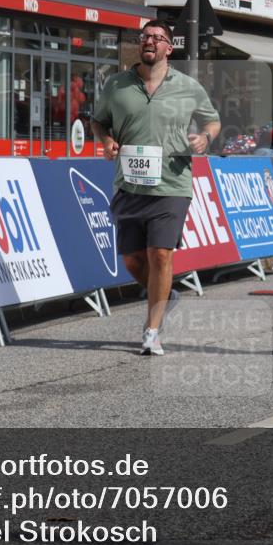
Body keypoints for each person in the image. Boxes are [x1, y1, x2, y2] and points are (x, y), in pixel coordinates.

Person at [91, 20, 221, 356]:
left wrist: (204, 137)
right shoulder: (117, 84)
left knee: (161, 254)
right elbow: (98, 119)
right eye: (145, 36)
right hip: (129, 185)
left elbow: (212, 119)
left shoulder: (188, 87)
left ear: (169, 48)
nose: (149, 41)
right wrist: (106, 140)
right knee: (133, 260)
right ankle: (164, 295)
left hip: (172, 183)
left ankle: (152, 330)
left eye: (157, 37)